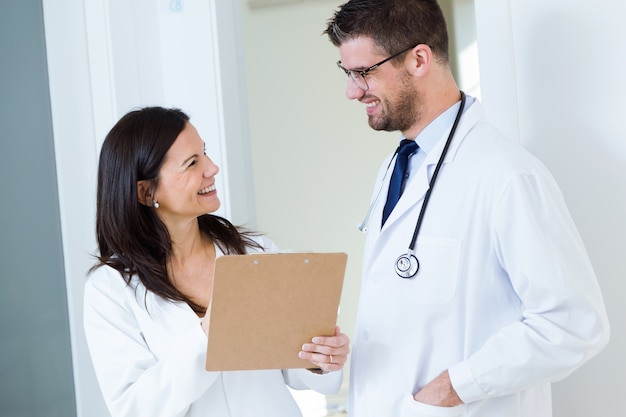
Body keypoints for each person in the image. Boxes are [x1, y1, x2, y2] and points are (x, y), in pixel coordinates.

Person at [323, 1, 609, 416]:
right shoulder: (398, 165)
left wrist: (454, 387)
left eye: (363, 72)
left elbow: (574, 323)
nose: (352, 90)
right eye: (346, 73)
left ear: (419, 59)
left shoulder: (507, 175)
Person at [83, 106, 350, 417]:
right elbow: (135, 408)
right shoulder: (111, 289)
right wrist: (207, 334)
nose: (212, 168)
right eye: (192, 163)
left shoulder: (253, 253)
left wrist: (321, 359)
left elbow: (292, 369)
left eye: (205, 153)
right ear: (145, 192)